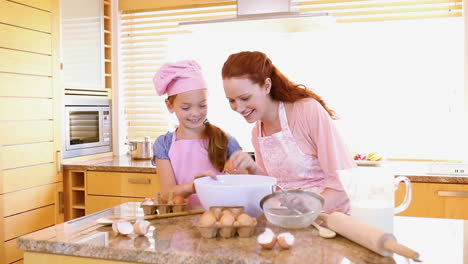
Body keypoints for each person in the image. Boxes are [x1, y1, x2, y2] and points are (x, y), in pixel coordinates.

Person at [221, 51, 355, 213]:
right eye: (231, 101)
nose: (239, 108)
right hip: (288, 218)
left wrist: (305, 211)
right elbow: (274, 186)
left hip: (328, 217)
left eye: (245, 98)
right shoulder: (257, 132)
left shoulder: (306, 111)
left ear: (267, 86)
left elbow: (344, 181)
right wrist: (252, 168)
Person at [152, 60, 242, 210]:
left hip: (218, 222)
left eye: (202, 105)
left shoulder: (225, 140)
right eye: (186, 107)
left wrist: (235, 173)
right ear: (170, 105)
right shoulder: (164, 144)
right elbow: (166, 193)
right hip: (180, 223)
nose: (195, 113)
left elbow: (243, 182)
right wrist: (194, 187)